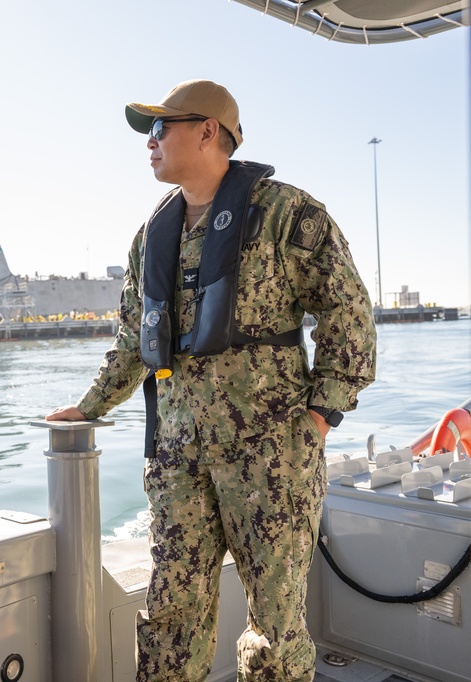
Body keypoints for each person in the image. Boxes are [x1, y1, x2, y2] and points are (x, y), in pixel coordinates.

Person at [47, 79, 376, 681]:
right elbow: (132, 339)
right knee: (170, 616)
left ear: (208, 131)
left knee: (275, 628)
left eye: (158, 128)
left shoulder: (286, 212)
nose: (148, 143)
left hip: (271, 453)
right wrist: (90, 406)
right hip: (179, 459)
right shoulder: (152, 236)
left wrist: (323, 412)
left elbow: (347, 309)